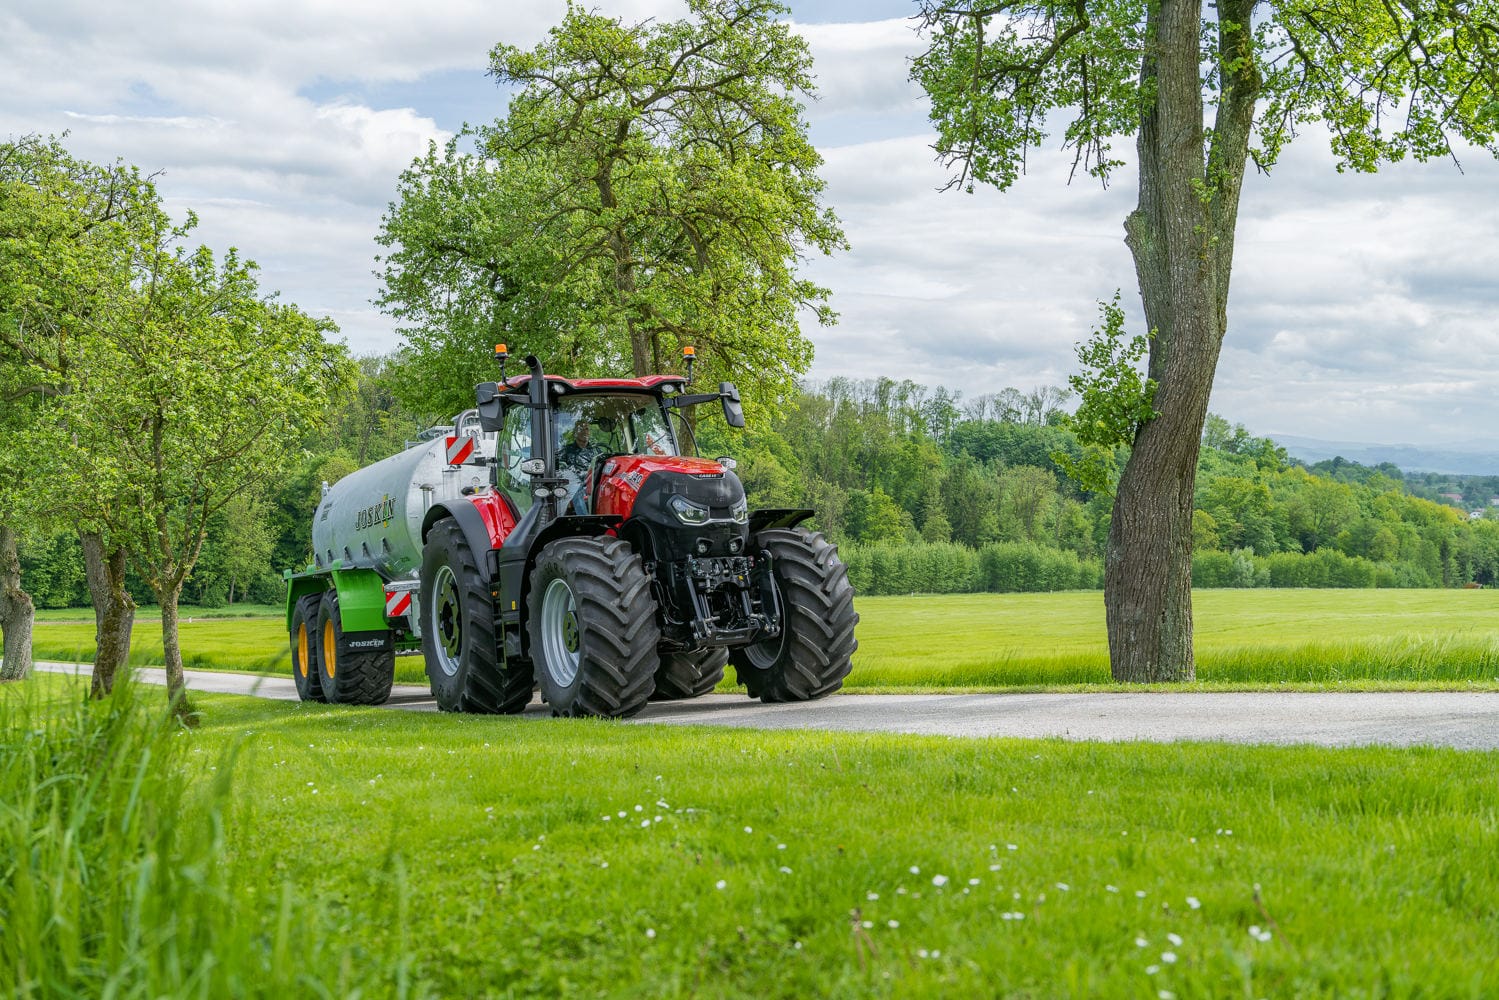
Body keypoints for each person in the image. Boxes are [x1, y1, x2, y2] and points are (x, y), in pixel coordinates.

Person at [558, 419, 603, 513]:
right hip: (577, 485)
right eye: (581, 429)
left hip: (594, 482)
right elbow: (560, 469)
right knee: (575, 488)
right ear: (575, 432)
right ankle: (586, 520)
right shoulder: (567, 451)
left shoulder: (597, 451)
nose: (585, 431)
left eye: (586, 429)